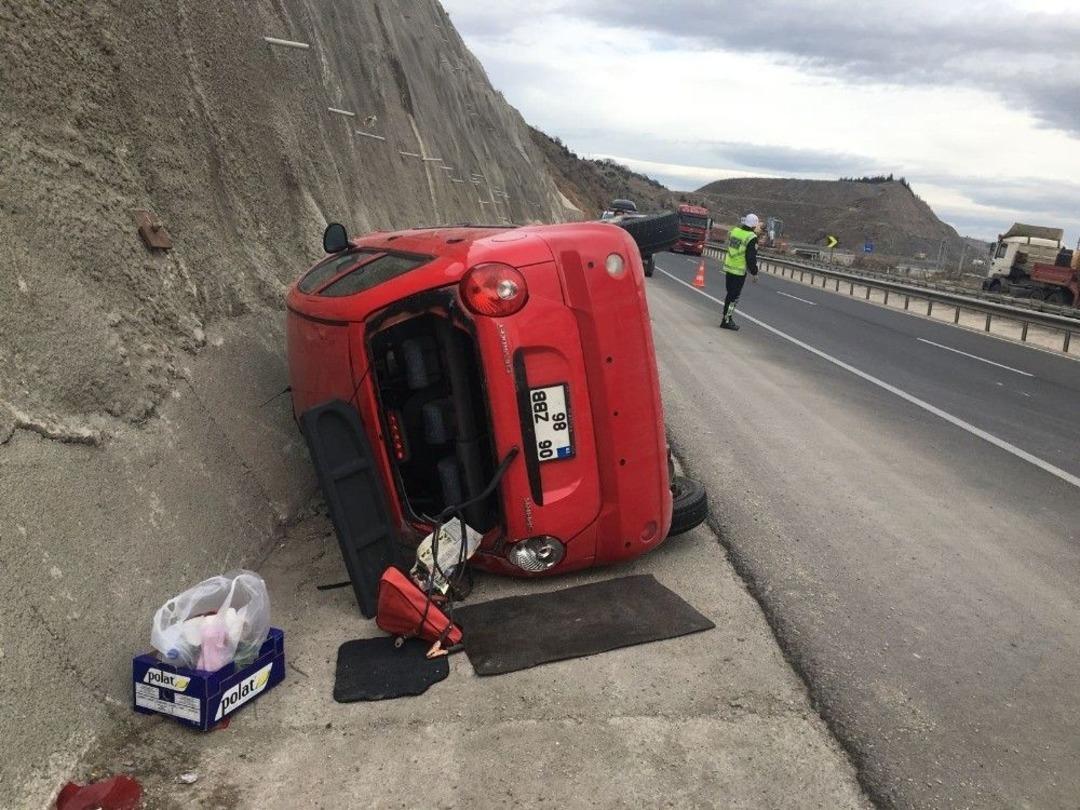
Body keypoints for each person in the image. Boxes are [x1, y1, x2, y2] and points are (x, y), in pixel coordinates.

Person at [720, 213, 760, 330]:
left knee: (729, 295)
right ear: (754, 225)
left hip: (729, 268)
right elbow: (750, 257)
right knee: (734, 298)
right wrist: (754, 272)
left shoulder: (735, 231)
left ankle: (726, 318)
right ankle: (727, 319)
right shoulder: (751, 237)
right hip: (738, 271)